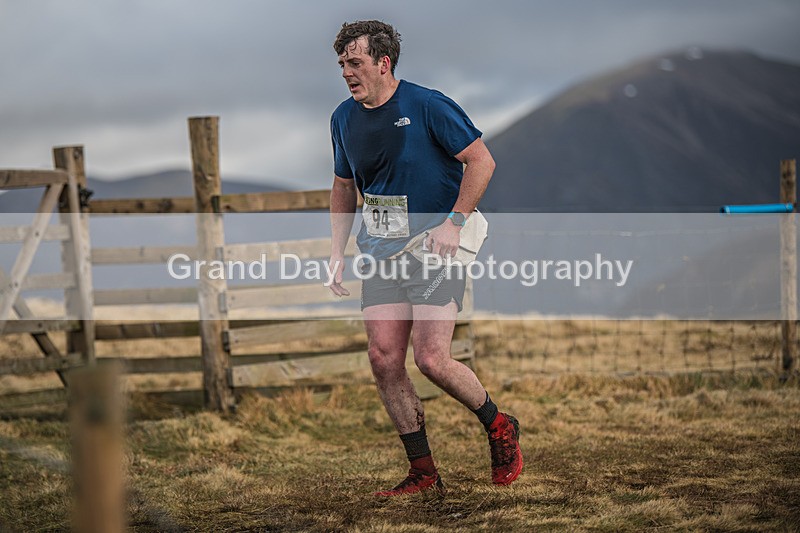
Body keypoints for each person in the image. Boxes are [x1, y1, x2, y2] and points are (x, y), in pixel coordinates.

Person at [327, 20, 522, 496]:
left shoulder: (427, 104)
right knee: (383, 357)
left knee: (432, 358)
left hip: (438, 247)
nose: (347, 73)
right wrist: (336, 251)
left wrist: (454, 222)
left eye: (355, 62)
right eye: (342, 65)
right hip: (383, 251)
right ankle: (424, 473)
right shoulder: (342, 118)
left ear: (383, 62)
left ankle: (499, 426)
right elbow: (344, 186)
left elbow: (482, 161)